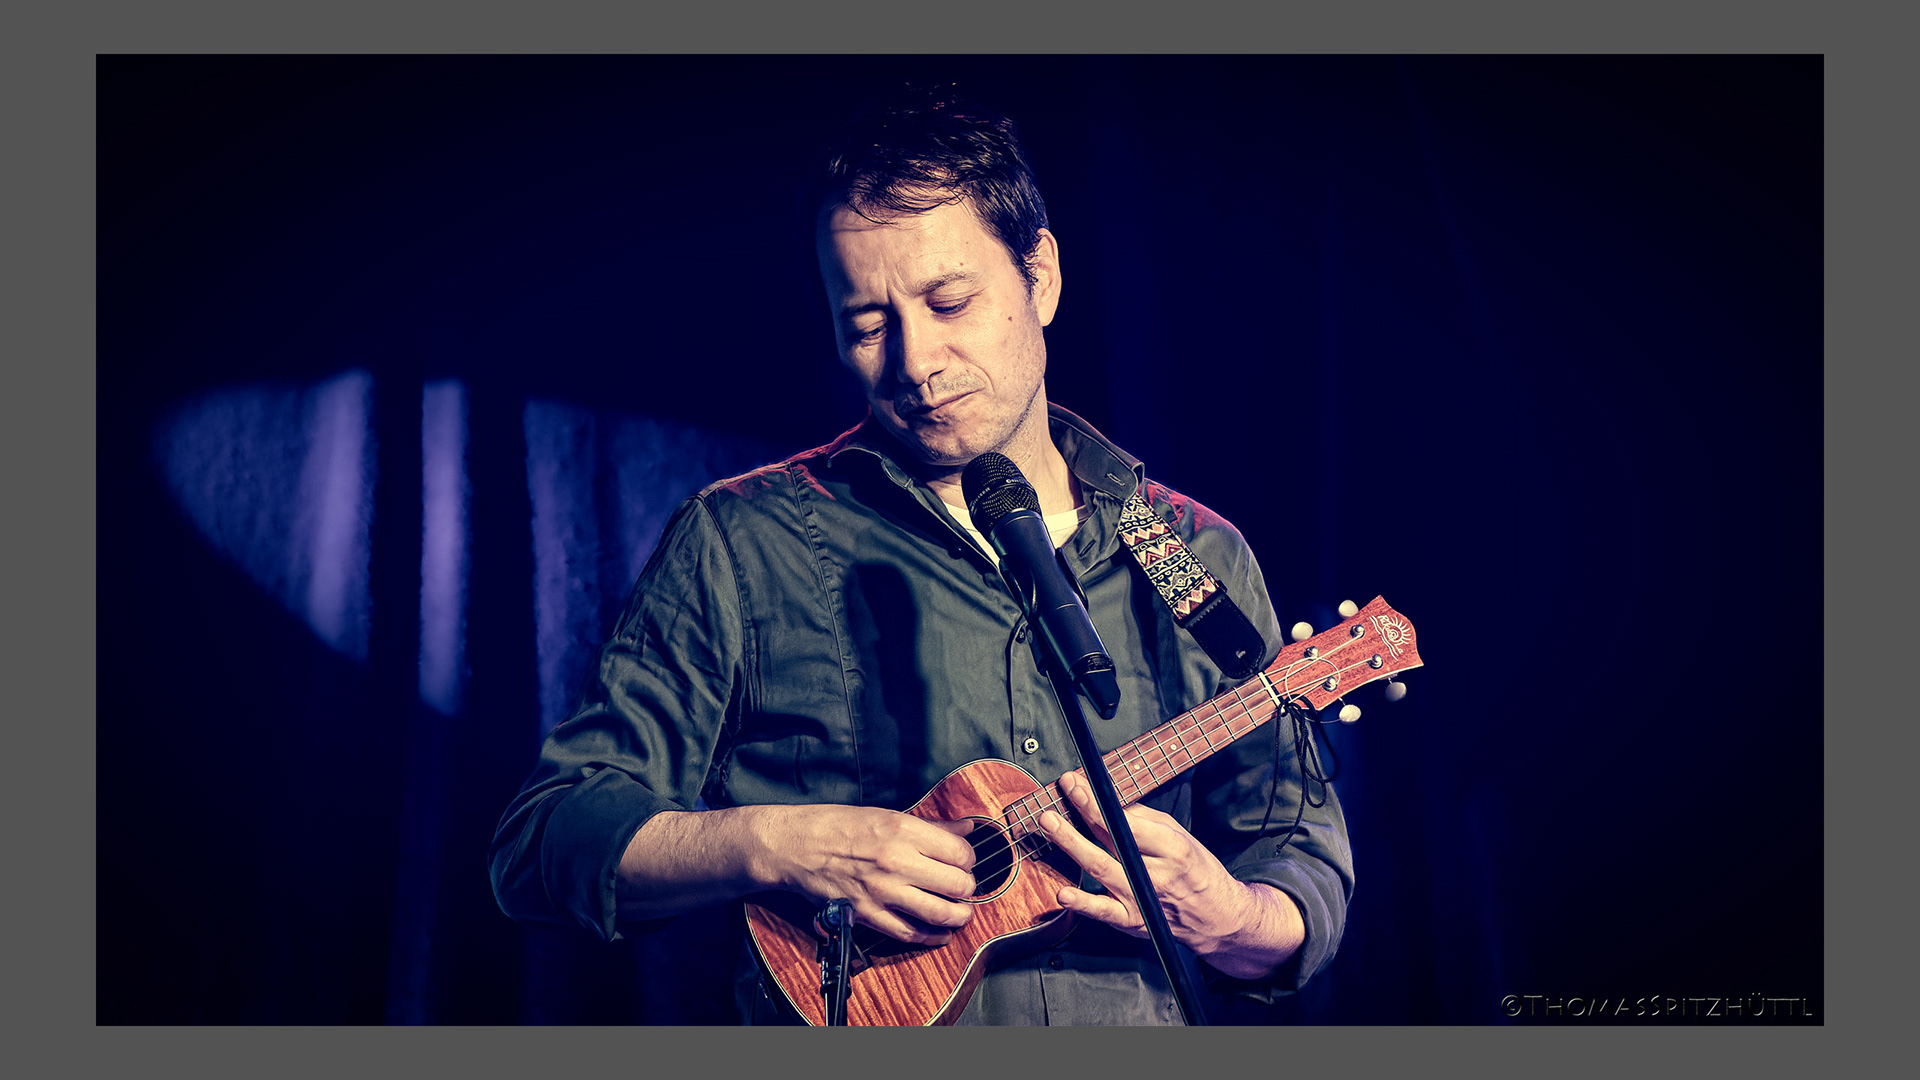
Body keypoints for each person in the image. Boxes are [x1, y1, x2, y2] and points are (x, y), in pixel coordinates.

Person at [488, 93, 1354, 1025]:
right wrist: (779, 844)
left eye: (950, 302)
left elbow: (1299, 863)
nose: (915, 361)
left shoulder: (1191, 552)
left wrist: (1230, 918)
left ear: (1041, 277)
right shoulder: (742, 540)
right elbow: (547, 842)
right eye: (868, 325)